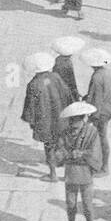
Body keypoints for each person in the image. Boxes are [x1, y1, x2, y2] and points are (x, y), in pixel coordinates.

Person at [57, 101, 100, 221]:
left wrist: (82, 154)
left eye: (76, 122)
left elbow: (95, 153)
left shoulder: (92, 132)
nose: (73, 126)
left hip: (85, 173)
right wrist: (69, 155)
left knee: (87, 205)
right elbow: (59, 152)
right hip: (70, 173)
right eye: (72, 122)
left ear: (82, 120)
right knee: (70, 204)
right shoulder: (65, 133)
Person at [21, 51, 68, 181]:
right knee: (63, 143)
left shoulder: (33, 84)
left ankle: (53, 174)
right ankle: (68, 173)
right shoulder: (55, 77)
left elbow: (30, 106)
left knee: (49, 147)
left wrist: (30, 121)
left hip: (45, 121)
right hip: (61, 118)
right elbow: (66, 93)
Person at [82, 48, 111, 174]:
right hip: (108, 108)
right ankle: (102, 164)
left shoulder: (96, 77)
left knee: (101, 139)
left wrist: (91, 115)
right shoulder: (107, 73)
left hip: (100, 112)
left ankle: (104, 166)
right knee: (102, 137)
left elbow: (97, 99)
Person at [51, 35, 84, 106]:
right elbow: (71, 80)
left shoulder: (58, 59)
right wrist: (75, 93)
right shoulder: (68, 62)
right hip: (66, 90)